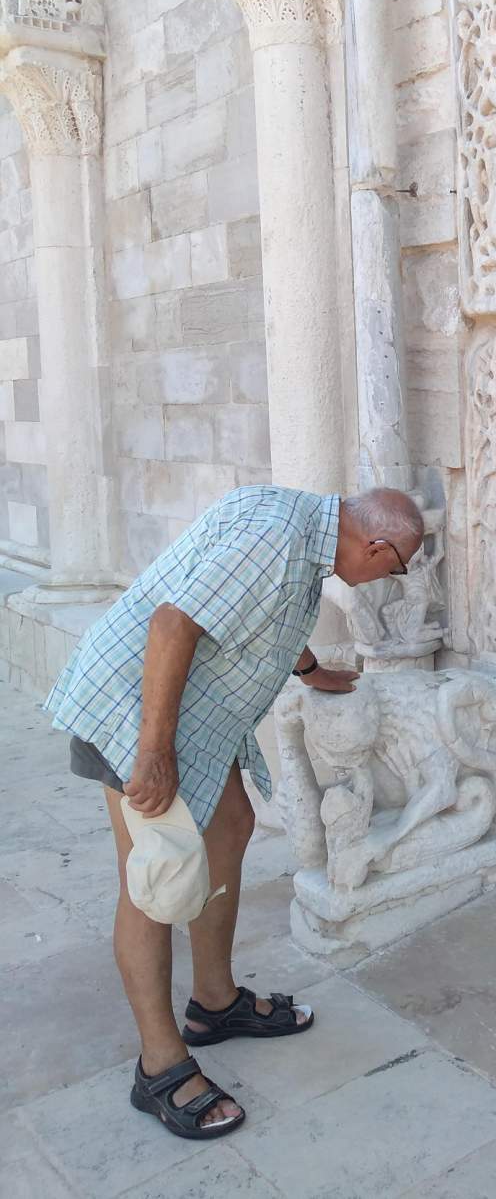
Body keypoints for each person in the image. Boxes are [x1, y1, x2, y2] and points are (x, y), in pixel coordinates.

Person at [44, 483, 424, 1139]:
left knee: (230, 827)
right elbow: (173, 624)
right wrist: (153, 754)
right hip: (134, 711)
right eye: (396, 568)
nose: (387, 580)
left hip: (188, 713)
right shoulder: (276, 538)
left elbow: (256, 612)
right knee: (156, 876)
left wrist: (309, 669)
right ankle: (159, 1067)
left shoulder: (305, 535)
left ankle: (214, 1004)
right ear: (376, 545)